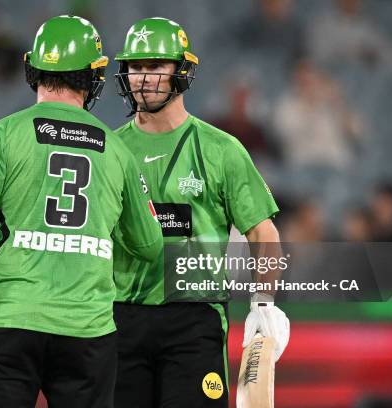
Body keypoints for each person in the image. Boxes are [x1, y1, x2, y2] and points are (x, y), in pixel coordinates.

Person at [0, 15, 163, 408]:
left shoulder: (1, 136)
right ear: (93, 78)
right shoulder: (119, 152)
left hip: (9, 322)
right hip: (87, 333)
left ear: (32, 69)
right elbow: (149, 245)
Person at [112, 17, 290, 407]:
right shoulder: (108, 149)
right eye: (136, 68)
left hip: (195, 320)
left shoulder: (221, 149)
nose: (143, 78)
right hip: (119, 317)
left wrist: (263, 303)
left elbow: (264, 234)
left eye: (156, 66)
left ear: (182, 71)